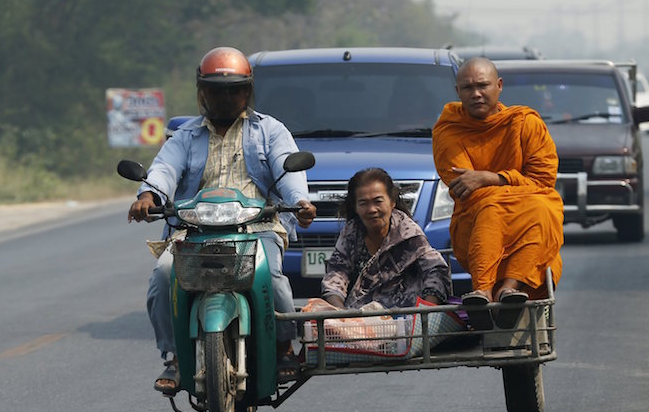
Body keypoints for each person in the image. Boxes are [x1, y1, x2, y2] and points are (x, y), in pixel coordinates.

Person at [128, 46, 316, 392]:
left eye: (234, 90)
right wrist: (148, 195)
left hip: (256, 227)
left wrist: (299, 202)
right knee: (164, 275)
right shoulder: (185, 136)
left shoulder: (270, 131)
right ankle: (173, 357)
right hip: (194, 229)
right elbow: (165, 169)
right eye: (216, 91)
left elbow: (287, 167)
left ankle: (284, 347)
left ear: (248, 90)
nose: (226, 98)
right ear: (202, 93)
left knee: (272, 277)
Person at [431, 57, 563, 327]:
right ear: (458, 92)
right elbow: (466, 189)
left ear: (499, 86)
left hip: (529, 219)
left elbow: (544, 180)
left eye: (483, 85)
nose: (476, 93)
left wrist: (492, 178)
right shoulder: (449, 129)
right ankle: (482, 290)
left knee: (545, 205)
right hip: (475, 225)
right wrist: (511, 187)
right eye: (467, 88)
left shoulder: (525, 123)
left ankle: (508, 288)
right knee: (493, 206)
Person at [320, 167, 451, 309]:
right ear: (355, 207)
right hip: (359, 317)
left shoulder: (408, 233)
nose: (372, 209)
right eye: (364, 203)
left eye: (378, 201)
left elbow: (436, 271)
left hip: (406, 317)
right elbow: (337, 273)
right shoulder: (351, 232)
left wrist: (425, 313)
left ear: (392, 202)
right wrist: (340, 312)